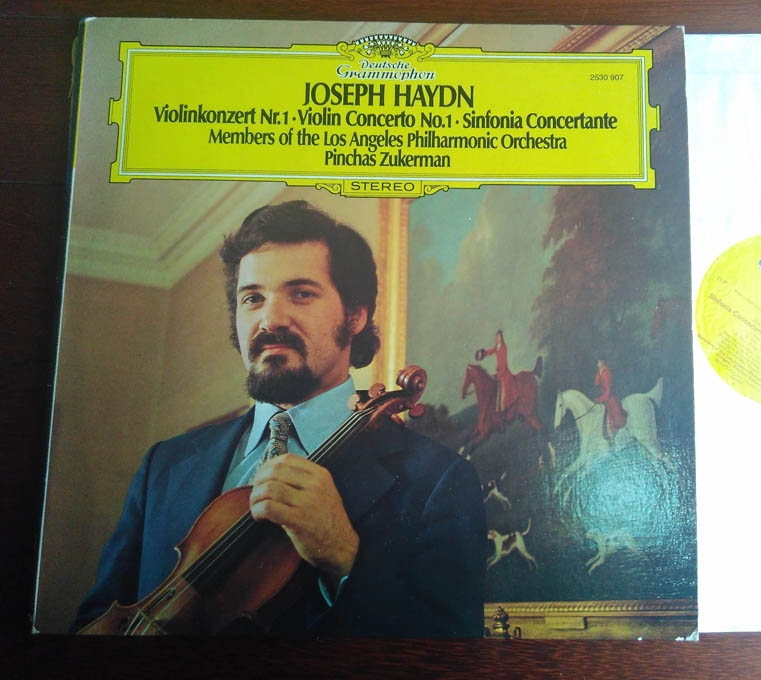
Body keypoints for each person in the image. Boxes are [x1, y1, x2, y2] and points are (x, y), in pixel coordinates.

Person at [72, 200, 486, 637]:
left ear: (355, 315)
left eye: (301, 293)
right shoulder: (164, 465)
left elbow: (448, 656)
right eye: (253, 298)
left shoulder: (440, 481)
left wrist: (344, 556)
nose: (270, 319)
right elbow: (95, 624)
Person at [479, 330, 517, 414]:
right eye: (497, 337)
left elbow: (503, 363)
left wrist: (499, 374)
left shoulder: (503, 348)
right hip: (499, 371)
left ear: (501, 338)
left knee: (503, 393)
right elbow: (490, 351)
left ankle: (504, 410)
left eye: (499, 337)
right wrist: (483, 353)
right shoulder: (497, 347)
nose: (498, 338)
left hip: (504, 373)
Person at [594, 358, 627, 439]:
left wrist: (600, 399)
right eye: (597, 362)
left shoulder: (606, 372)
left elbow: (608, 390)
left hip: (608, 395)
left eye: (598, 362)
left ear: (602, 362)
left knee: (613, 410)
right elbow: (596, 383)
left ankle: (615, 430)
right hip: (603, 394)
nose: (597, 364)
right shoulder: (600, 371)